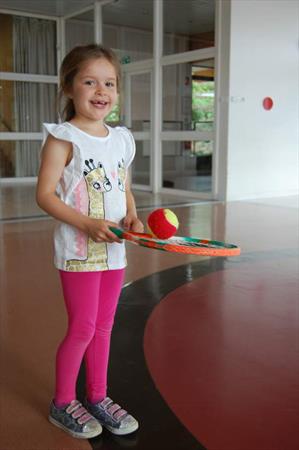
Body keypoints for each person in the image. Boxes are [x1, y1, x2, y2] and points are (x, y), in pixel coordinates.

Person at [36, 44, 144, 439]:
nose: (102, 91)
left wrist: (132, 214)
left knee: (104, 326)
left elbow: (124, 187)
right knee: (82, 327)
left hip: (114, 250)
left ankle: (98, 396)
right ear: (69, 87)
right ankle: (63, 402)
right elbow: (45, 195)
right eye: (90, 81)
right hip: (80, 252)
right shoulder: (63, 138)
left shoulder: (120, 139)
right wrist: (85, 223)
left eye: (110, 83)